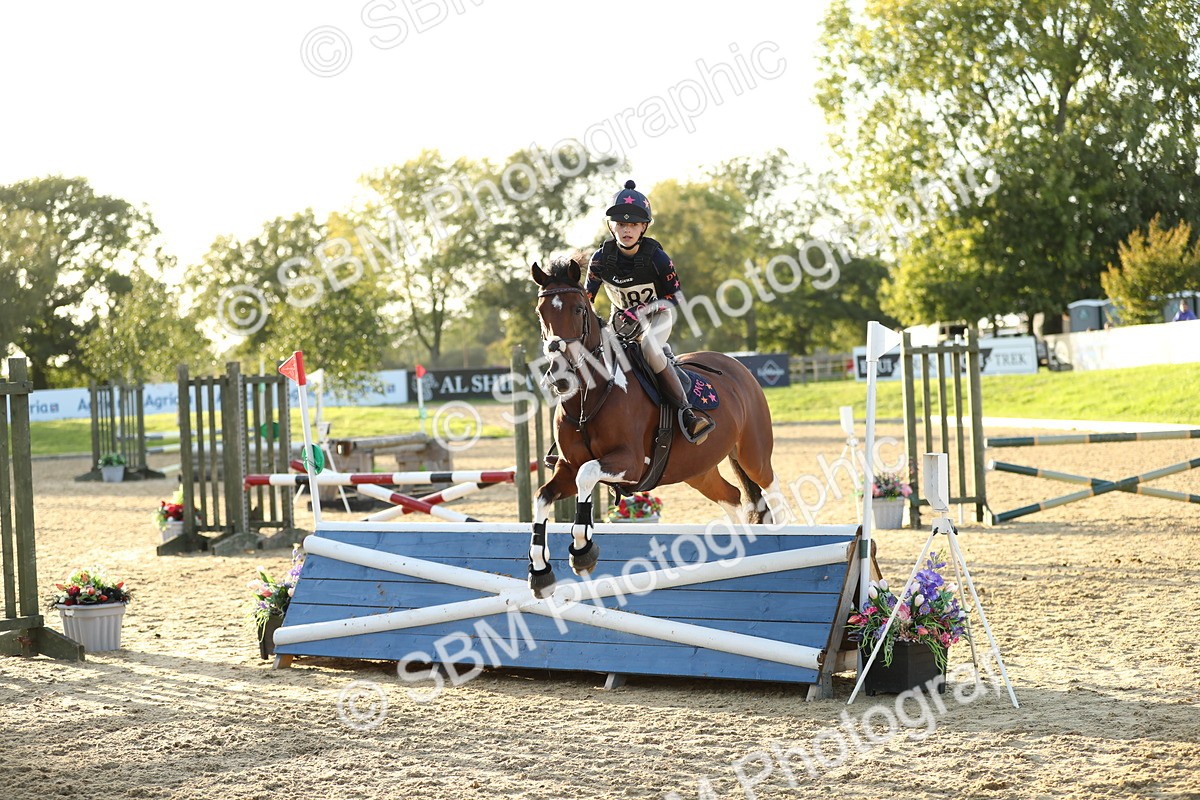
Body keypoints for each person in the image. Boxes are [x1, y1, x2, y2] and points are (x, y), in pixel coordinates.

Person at [585, 179, 715, 444]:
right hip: (618, 320)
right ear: (612, 226)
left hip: (657, 317)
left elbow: (675, 297)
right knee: (589, 358)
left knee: (650, 350)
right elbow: (586, 299)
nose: (627, 230)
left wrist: (642, 309)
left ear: (644, 226)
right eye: (621, 224)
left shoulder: (658, 259)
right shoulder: (599, 260)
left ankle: (687, 414)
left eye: (633, 224)